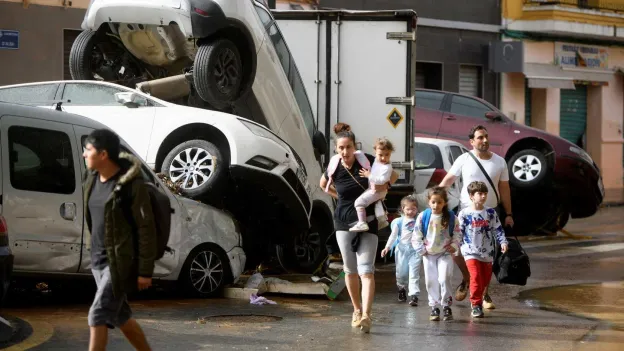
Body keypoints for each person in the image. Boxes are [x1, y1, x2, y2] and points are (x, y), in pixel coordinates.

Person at [83, 129, 157, 351]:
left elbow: (147, 229)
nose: (84, 155)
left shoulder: (132, 186)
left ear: (103, 154)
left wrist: (145, 270)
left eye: (88, 150)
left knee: (97, 314)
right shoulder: (92, 179)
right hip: (98, 260)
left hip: (120, 264)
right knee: (121, 316)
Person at [320, 122, 398, 333]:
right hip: (343, 223)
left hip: (369, 221)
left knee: (367, 271)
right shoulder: (334, 165)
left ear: (355, 147)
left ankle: (366, 315)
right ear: (337, 149)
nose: (345, 152)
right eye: (341, 148)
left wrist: (384, 187)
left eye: (349, 147)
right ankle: (356, 310)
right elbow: (322, 185)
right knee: (350, 270)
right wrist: (340, 198)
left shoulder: (368, 161)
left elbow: (394, 174)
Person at [438, 124, 514, 310]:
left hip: (490, 213)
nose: (485, 140)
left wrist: (509, 213)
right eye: (480, 137)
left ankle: (483, 293)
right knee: (456, 250)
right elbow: (448, 180)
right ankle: (468, 278)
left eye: (486, 136)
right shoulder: (464, 159)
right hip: (465, 213)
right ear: (471, 141)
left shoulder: (500, 162)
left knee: (488, 254)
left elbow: (504, 188)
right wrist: (435, 198)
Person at [458, 181, 508, 318]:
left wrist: (503, 241)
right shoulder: (464, 214)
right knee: (475, 277)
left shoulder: (490, 212)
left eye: (485, 193)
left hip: (487, 252)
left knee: (485, 280)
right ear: (471, 196)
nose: (483, 196)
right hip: (470, 251)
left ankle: (480, 297)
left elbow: (498, 229)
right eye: (480, 193)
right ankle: (476, 305)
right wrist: (454, 246)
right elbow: (459, 232)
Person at [412, 187, 461, 322]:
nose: (436, 205)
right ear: (429, 202)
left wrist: (454, 245)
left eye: (439, 202)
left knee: (444, 278)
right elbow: (416, 235)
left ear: (444, 203)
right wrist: (421, 249)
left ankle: (446, 305)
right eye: (433, 202)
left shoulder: (451, 217)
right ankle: (434, 306)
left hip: (445, 253)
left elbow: (457, 233)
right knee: (430, 281)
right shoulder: (423, 216)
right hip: (429, 254)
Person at [381, 195, 421, 306]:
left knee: (414, 273)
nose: (411, 211)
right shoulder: (399, 222)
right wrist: (387, 247)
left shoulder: (419, 220)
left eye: (413, 209)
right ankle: (401, 289)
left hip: (415, 251)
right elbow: (393, 236)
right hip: (402, 249)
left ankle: (414, 295)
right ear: (402, 209)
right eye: (408, 209)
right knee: (402, 273)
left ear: (417, 209)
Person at [350, 138, 394, 232]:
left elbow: (382, 180)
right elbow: (365, 162)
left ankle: (362, 223)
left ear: (391, 153)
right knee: (373, 204)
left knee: (359, 203)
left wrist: (369, 175)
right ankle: (381, 219)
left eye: (387, 155)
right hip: (373, 189)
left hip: (378, 190)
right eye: (380, 155)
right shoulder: (376, 162)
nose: (383, 158)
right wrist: (356, 152)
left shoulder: (387, 167)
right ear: (375, 152)